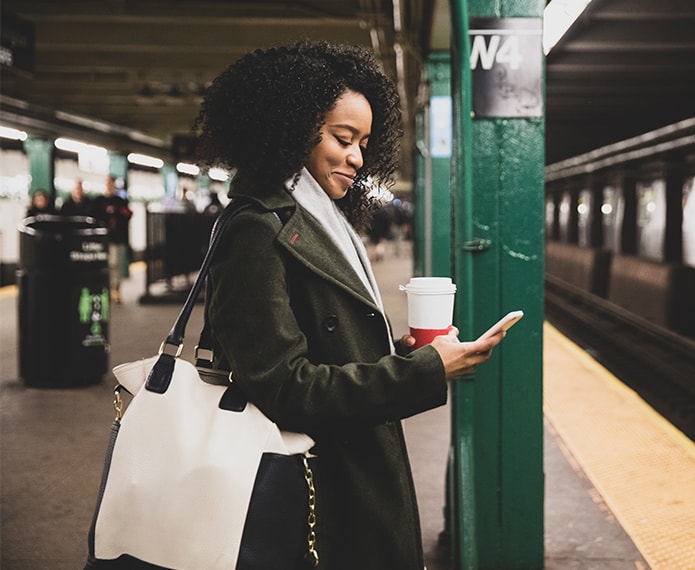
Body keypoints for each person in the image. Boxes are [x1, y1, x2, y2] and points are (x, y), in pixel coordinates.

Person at [194, 41, 505, 570]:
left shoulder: (322, 222)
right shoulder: (256, 229)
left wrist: (402, 354)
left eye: (363, 142)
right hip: (312, 492)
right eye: (343, 139)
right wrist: (425, 372)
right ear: (290, 128)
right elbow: (285, 388)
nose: (358, 159)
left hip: (347, 469)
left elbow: (329, 347)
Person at [93, 176, 132, 303]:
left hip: (117, 238)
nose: (110, 186)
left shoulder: (120, 201)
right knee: (107, 265)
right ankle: (108, 289)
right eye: (108, 184)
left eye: (112, 184)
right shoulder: (99, 201)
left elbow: (128, 215)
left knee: (115, 264)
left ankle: (115, 289)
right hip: (103, 238)